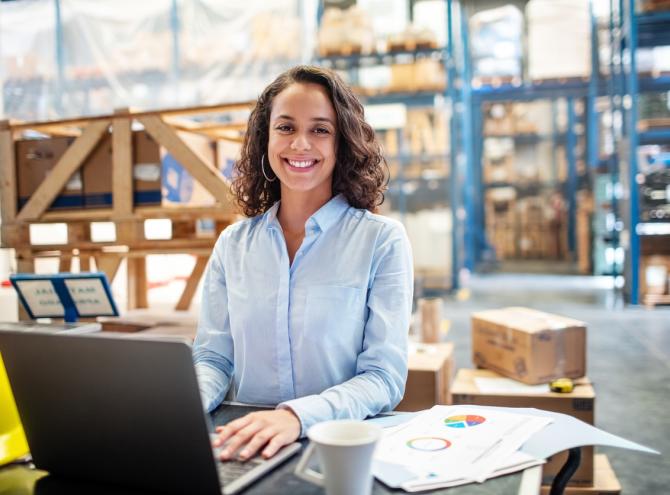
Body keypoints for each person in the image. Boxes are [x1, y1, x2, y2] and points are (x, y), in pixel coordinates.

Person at [192, 65, 413, 462]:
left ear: (341, 142)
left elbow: (384, 378)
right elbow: (213, 357)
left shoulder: (381, 241)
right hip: (246, 444)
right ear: (266, 139)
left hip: (340, 448)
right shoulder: (233, 245)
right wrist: (183, 403)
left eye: (320, 130)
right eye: (286, 128)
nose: (300, 144)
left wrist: (296, 416)